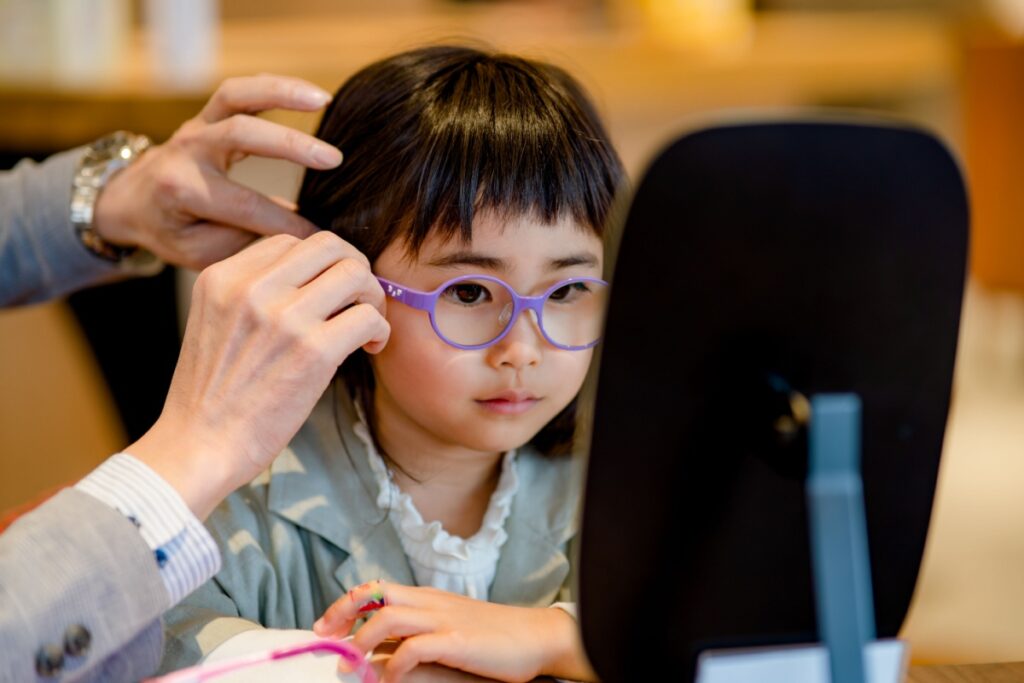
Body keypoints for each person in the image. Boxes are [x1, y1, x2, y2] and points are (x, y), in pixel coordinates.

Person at [159, 45, 624, 683]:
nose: (523, 348)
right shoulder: (232, 501)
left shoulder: (631, 486)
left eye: (567, 291)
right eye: (468, 293)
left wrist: (555, 636)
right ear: (344, 282)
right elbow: (152, 644)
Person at [0, 75, 391, 682]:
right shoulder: (242, 538)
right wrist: (191, 449)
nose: (520, 348)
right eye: (468, 292)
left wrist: (116, 198)